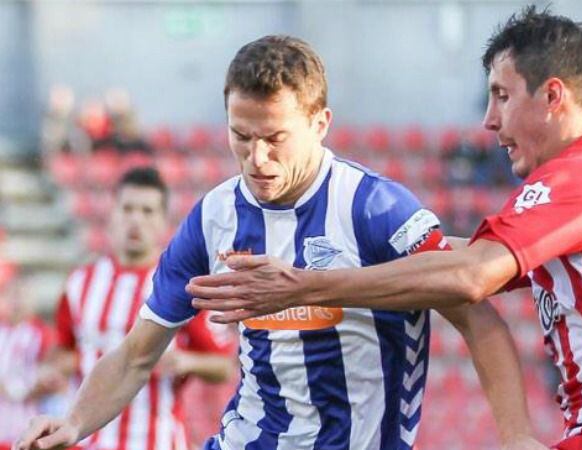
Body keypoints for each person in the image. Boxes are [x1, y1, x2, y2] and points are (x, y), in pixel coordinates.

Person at [186, 7, 582, 450]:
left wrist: (304, 285)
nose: (489, 120)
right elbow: (461, 256)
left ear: (554, 97)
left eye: (502, 95)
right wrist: (364, 244)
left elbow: (471, 277)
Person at [16, 36, 543, 450]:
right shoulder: (214, 216)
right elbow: (136, 353)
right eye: (241, 136)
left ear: (320, 124)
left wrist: (515, 434)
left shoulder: (374, 209)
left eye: (275, 138)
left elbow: (477, 316)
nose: (257, 159)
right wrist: (74, 422)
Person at [40, 167, 236, 450]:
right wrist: (54, 371)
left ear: (163, 222)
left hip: (157, 441)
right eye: (128, 208)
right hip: (91, 442)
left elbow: (222, 367)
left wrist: (184, 362)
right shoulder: (80, 283)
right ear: (112, 214)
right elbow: (64, 351)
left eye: (147, 211)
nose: (136, 220)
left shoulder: (184, 287)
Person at [0, 265, 65, 450]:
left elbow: (55, 378)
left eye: (22, 296)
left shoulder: (42, 334)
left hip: (26, 428)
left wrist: (30, 388)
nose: (16, 302)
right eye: (11, 296)